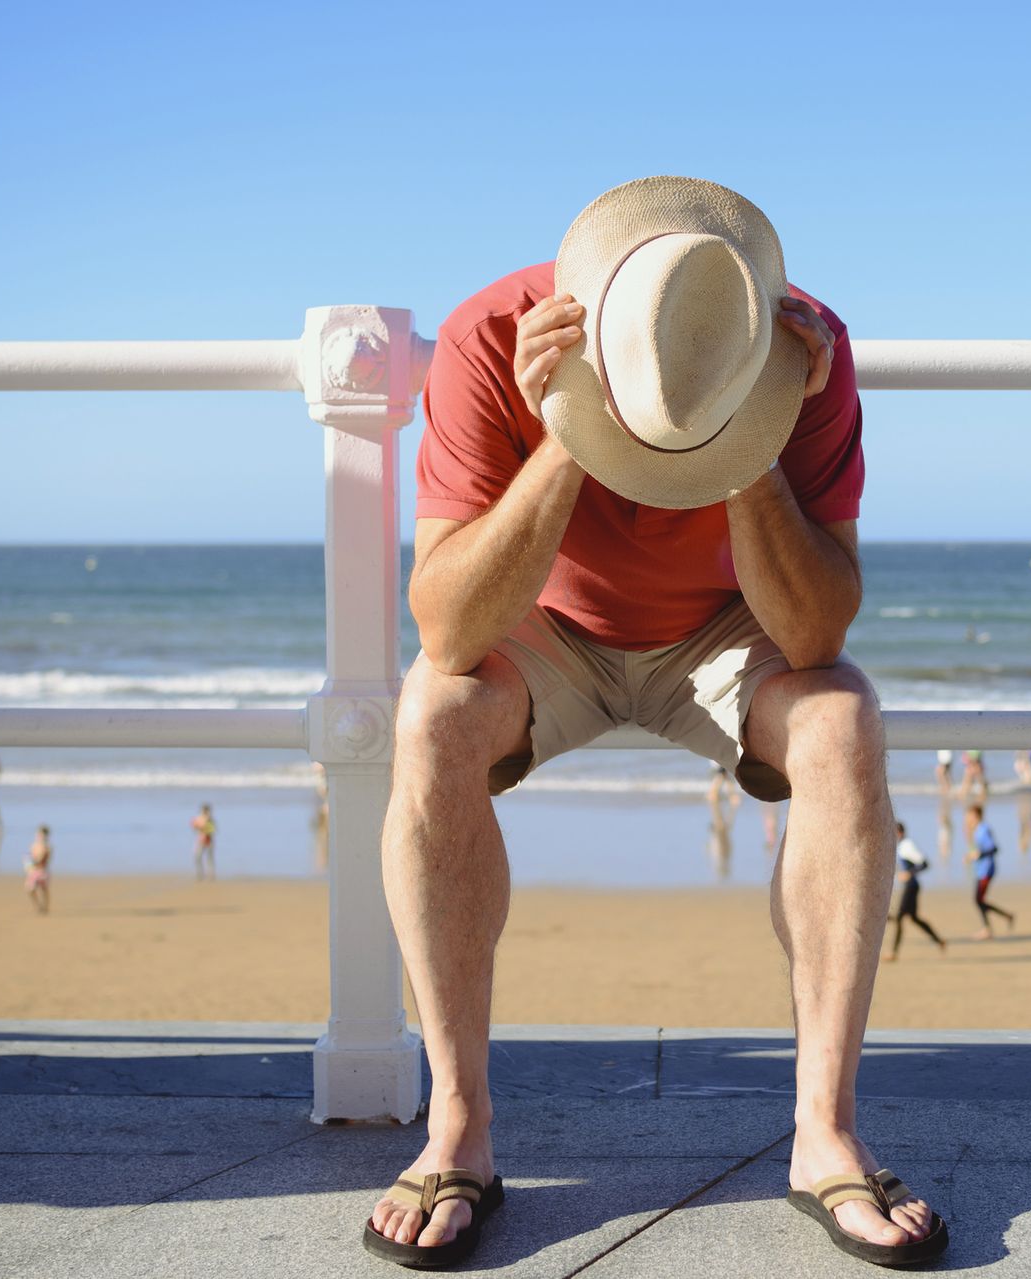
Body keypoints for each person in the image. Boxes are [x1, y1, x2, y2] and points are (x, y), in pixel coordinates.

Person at [364, 178, 943, 1268]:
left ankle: (824, 1132)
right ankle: (461, 1126)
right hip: (548, 629)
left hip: (732, 629)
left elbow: (815, 634)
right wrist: (570, 433)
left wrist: (747, 434)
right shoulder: (491, 337)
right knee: (433, 712)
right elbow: (447, 628)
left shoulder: (795, 350)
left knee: (842, 719)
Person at [886, 822, 946, 960]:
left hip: (912, 886)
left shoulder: (907, 845)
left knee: (901, 917)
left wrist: (910, 873)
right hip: (911, 886)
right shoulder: (901, 846)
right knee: (914, 918)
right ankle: (939, 941)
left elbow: (925, 863)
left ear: (899, 833)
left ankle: (894, 953)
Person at [964, 802, 1016, 939]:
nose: (967, 819)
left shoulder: (984, 829)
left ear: (975, 815)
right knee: (979, 900)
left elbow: (994, 848)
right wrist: (971, 856)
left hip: (986, 870)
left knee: (978, 900)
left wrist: (979, 854)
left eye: (969, 816)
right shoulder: (976, 830)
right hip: (980, 870)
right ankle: (1005, 917)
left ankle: (990, 928)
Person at [25, 825, 51, 915]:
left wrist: (36, 862)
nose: (40, 836)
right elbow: (29, 856)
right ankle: (38, 906)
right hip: (33, 871)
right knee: (30, 889)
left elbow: (44, 859)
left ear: (46, 836)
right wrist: (28, 865)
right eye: (39, 834)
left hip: (42, 871)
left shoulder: (47, 847)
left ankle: (45, 906)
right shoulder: (34, 845)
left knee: (43, 889)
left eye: (42, 834)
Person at [191, 803, 217, 881]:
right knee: (197, 857)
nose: (205, 812)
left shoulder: (210, 819)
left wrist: (205, 825)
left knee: (210, 858)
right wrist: (197, 826)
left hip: (209, 840)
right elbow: (195, 828)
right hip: (200, 840)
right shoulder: (198, 818)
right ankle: (200, 874)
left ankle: (211, 875)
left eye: (207, 811)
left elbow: (213, 830)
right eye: (204, 810)